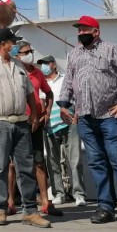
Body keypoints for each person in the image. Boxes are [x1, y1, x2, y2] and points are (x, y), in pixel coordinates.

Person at [57, 15, 117, 229]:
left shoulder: (112, 49)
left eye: (84, 30)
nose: (81, 33)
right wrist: (63, 105)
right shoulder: (74, 54)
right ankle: (105, 206)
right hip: (85, 118)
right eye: (79, 30)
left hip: (109, 117)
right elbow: (69, 80)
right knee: (97, 163)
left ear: (96, 32)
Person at [0, 28, 50, 228]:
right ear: (3, 43)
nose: (14, 46)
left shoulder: (19, 65)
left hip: (22, 122)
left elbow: (30, 91)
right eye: (12, 43)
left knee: (26, 167)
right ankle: (0, 209)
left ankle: (30, 211)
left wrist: (33, 114)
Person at [7, 41, 60, 217]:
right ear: (17, 55)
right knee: (13, 164)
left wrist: (46, 112)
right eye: (26, 51)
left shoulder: (37, 73)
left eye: (31, 50)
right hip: (18, 122)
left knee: (39, 162)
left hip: (36, 123)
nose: (30, 53)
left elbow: (49, 93)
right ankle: (10, 202)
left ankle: (45, 201)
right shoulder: (14, 72)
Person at [40, 54, 86, 206]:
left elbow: (77, 97)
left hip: (69, 123)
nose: (43, 67)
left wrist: (77, 115)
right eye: (42, 64)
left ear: (53, 64)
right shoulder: (41, 83)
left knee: (75, 159)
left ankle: (79, 194)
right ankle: (58, 193)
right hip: (49, 126)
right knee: (52, 161)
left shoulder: (66, 79)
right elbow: (41, 103)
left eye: (46, 63)